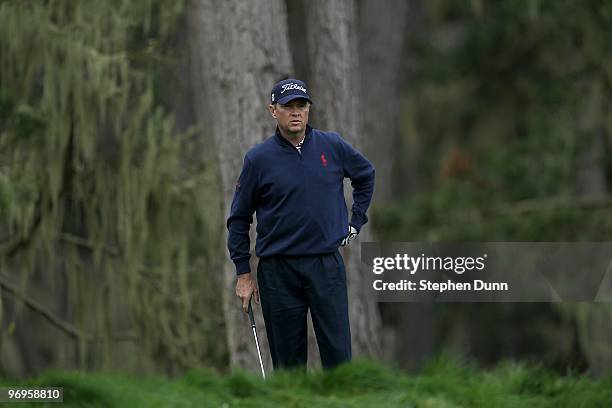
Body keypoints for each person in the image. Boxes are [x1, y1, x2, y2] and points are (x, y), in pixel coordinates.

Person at [226, 78, 375, 370]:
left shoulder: (331, 145)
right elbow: (239, 219)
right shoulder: (258, 159)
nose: (296, 112)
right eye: (288, 106)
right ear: (273, 111)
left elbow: (365, 175)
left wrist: (356, 221)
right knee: (288, 364)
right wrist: (243, 273)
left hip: (325, 266)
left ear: (308, 110)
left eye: (301, 106)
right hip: (278, 271)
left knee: (339, 358)